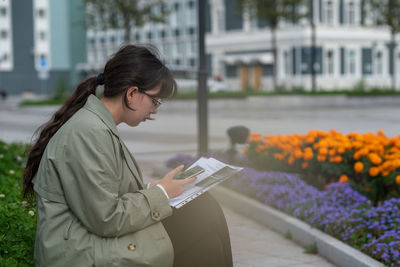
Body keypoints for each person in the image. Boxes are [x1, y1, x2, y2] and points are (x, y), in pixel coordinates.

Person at [22, 45, 233, 267]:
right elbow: (105, 218)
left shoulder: (96, 126)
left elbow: (106, 195)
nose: (155, 110)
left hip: (93, 239)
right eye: (155, 100)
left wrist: (157, 188)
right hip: (81, 252)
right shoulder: (88, 132)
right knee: (204, 236)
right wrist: (161, 193)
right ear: (132, 93)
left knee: (203, 209)